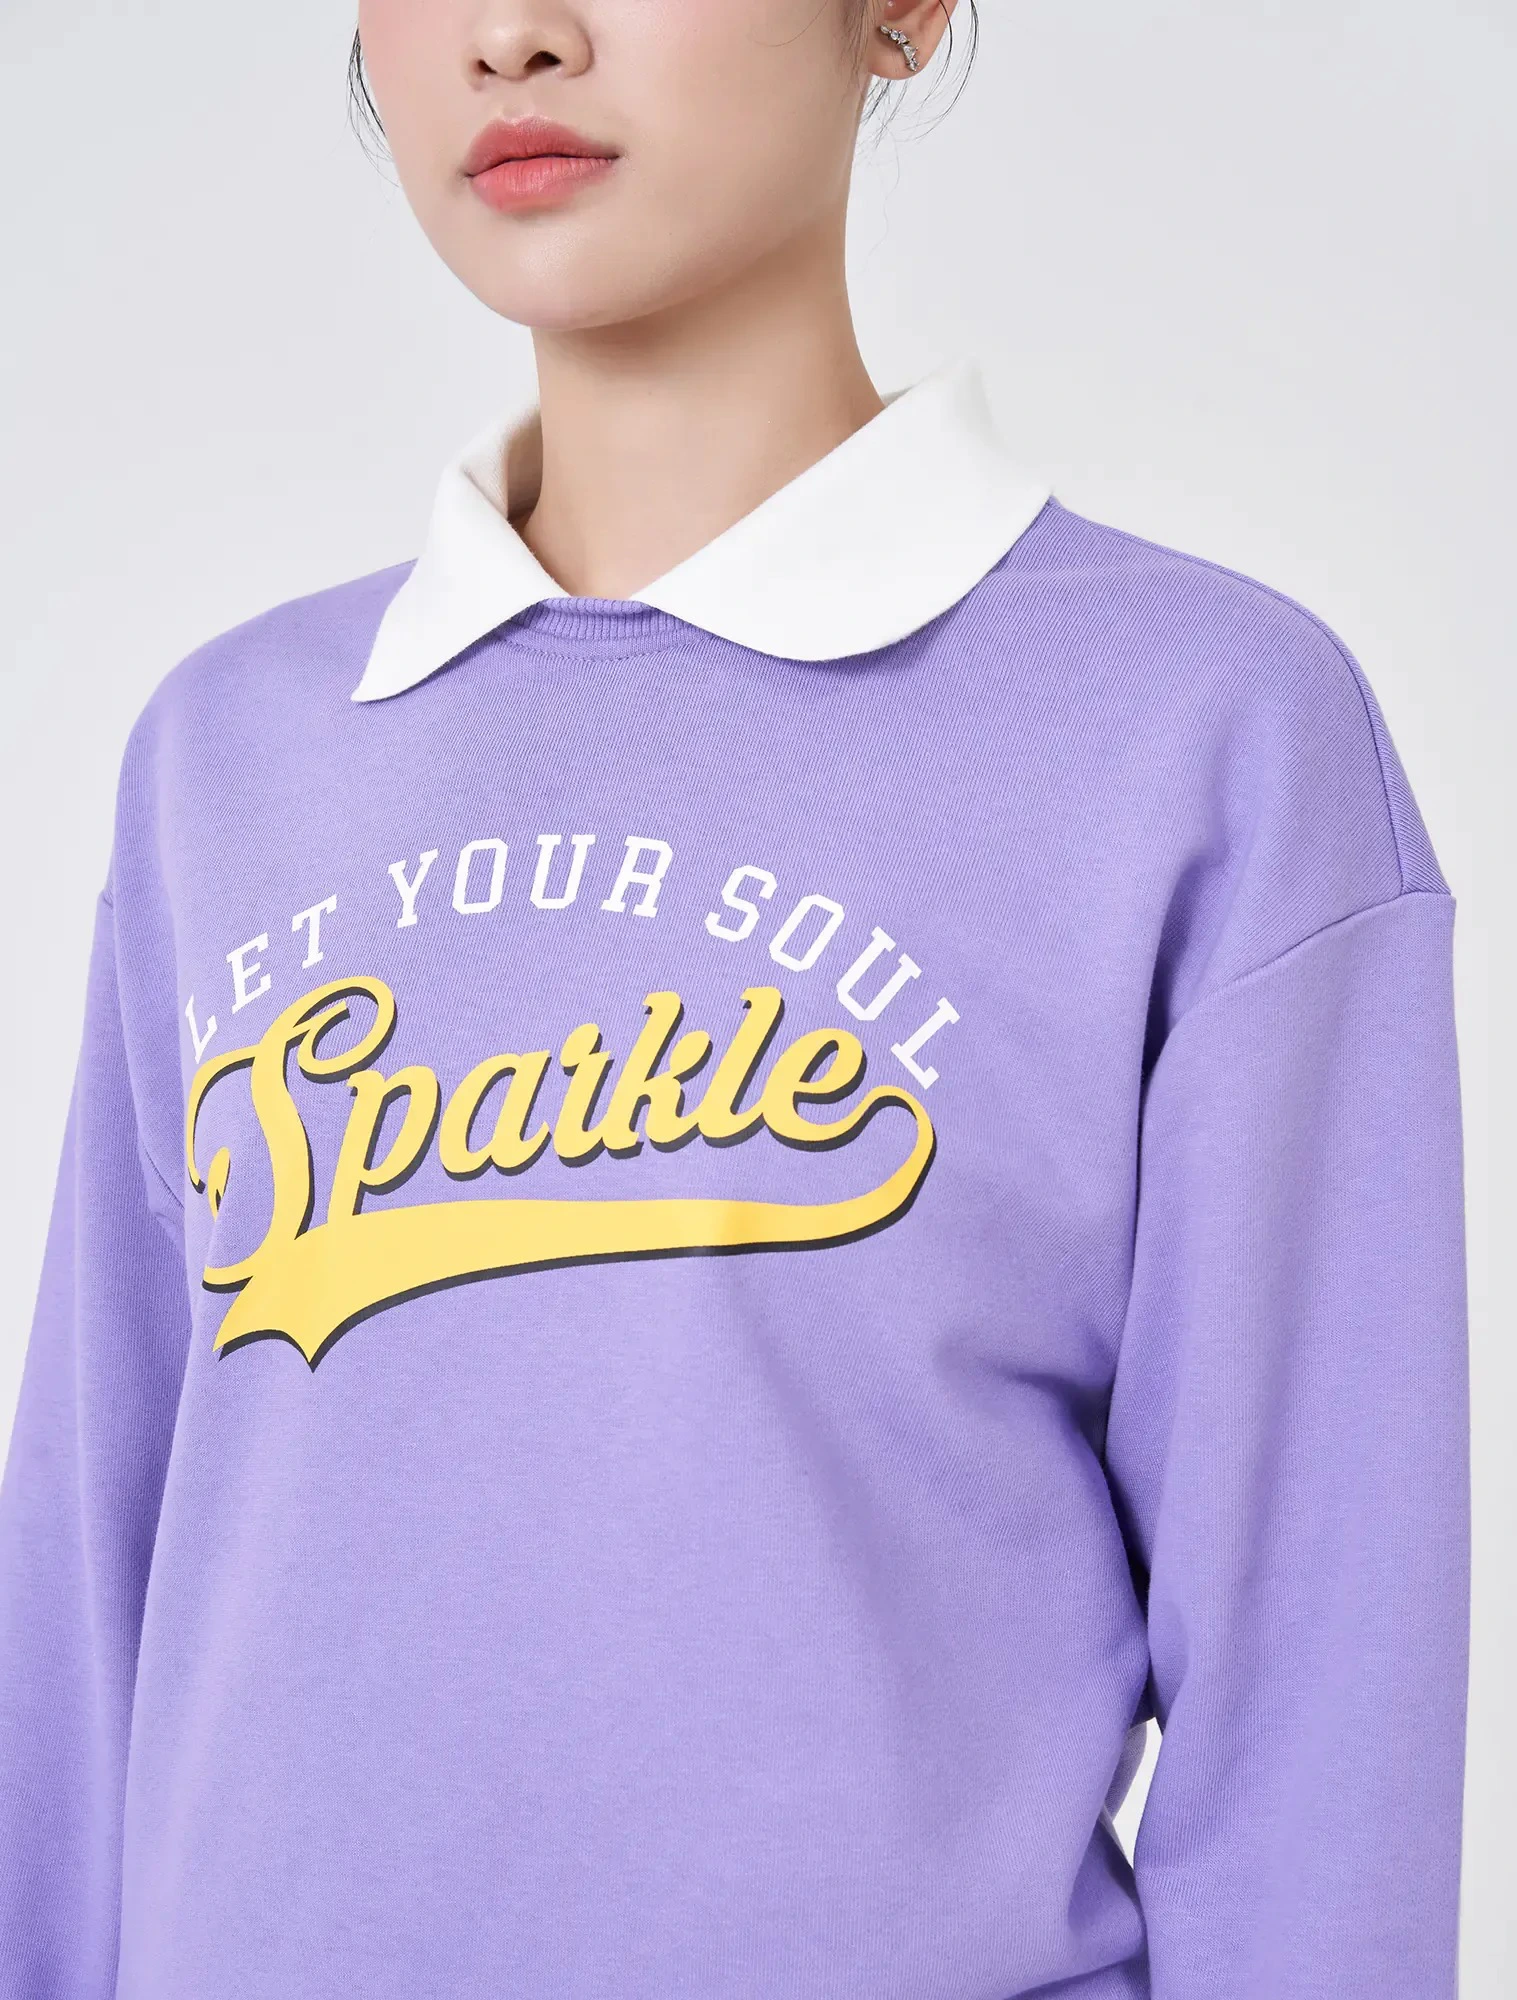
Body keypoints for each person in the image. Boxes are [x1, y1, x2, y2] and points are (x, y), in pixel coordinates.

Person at [0, 4, 1469, 1997]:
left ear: (902, 11)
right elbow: (84, 1614)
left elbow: (1316, 1697)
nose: (513, 36)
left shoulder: (1203, 738)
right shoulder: (232, 761)